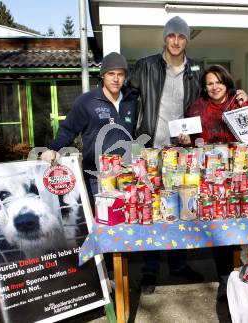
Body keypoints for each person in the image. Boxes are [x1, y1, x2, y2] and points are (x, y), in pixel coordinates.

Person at [130, 16, 203, 294]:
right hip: (151, 149)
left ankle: (178, 264)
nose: (176, 41)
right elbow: (127, 98)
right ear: (165, 37)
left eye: (181, 37)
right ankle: (150, 269)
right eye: (171, 35)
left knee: (182, 207)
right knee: (152, 208)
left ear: (187, 40)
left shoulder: (195, 69)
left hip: (181, 152)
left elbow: (203, 104)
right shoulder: (146, 66)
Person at [179, 64, 248, 301]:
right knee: (219, 224)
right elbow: (190, 138)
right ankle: (226, 278)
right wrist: (185, 139)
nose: (214, 87)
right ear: (205, 87)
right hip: (211, 177)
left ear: (226, 83)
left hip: (240, 173)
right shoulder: (198, 107)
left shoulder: (239, 101)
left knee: (242, 221)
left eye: (218, 82)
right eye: (209, 83)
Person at [41, 52, 138, 208]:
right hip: (95, 178)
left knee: (125, 224)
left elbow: (137, 131)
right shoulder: (87, 101)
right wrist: (52, 149)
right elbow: (68, 130)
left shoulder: (132, 101)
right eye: (111, 73)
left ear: (125, 76)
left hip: (125, 177)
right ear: (102, 75)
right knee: (100, 226)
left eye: (120, 74)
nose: (115, 78)